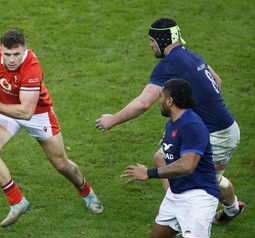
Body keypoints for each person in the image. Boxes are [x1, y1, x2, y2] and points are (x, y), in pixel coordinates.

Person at [0, 29, 103, 227]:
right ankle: (18, 202)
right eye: (7, 54)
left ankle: (86, 191)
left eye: (16, 54)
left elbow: (26, 112)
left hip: (37, 114)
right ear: (1, 49)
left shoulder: (32, 68)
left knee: (61, 164)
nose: (12, 59)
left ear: (24, 50)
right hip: (4, 110)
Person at [96, 18, 244, 225]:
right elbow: (217, 82)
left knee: (193, 176)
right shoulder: (190, 55)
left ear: (161, 40)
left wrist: (112, 120)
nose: (150, 45)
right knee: (165, 159)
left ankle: (177, 214)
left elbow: (144, 102)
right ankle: (230, 208)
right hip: (224, 129)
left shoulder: (168, 65)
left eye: (151, 40)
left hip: (216, 135)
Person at [122, 78, 219, 238]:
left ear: (170, 101)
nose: (159, 101)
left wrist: (149, 173)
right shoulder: (173, 124)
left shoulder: (192, 125)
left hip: (199, 196)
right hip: (177, 194)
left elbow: (187, 165)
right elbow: (168, 156)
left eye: (161, 97)